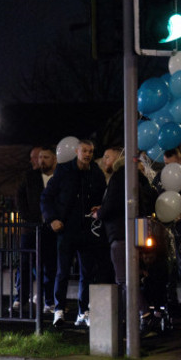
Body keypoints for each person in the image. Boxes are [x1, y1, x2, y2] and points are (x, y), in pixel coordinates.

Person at [40, 139, 114, 328]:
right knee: (62, 271)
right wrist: (52, 219)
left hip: (87, 229)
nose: (88, 154)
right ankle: (59, 310)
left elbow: (102, 196)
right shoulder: (64, 170)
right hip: (66, 229)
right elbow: (47, 197)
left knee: (87, 272)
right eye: (84, 151)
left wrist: (101, 207)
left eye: (90, 151)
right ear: (76, 151)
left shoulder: (95, 173)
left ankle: (83, 311)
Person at [93, 146, 156, 324]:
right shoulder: (140, 178)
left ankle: (143, 314)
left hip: (120, 233)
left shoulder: (119, 177)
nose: (105, 162)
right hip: (140, 231)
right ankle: (143, 313)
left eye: (107, 158)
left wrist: (100, 213)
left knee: (123, 278)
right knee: (136, 275)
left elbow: (113, 204)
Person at [152, 148, 181, 307]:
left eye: (170, 164)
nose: (168, 168)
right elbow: (154, 194)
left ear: (179, 161)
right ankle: (169, 296)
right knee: (166, 263)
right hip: (163, 225)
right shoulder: (161, 176)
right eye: (165, 164)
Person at [14, 146, 57, 313]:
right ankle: (20, 298)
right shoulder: (30, 177)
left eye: (45, 157)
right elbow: (19, 197)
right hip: (31, 228)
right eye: (39, 158)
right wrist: (28, 218)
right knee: (25, 264)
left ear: (53, 158)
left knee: (50, 266)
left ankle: (49, 301)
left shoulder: (59, 177)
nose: (41, 161)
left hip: (52, 228)